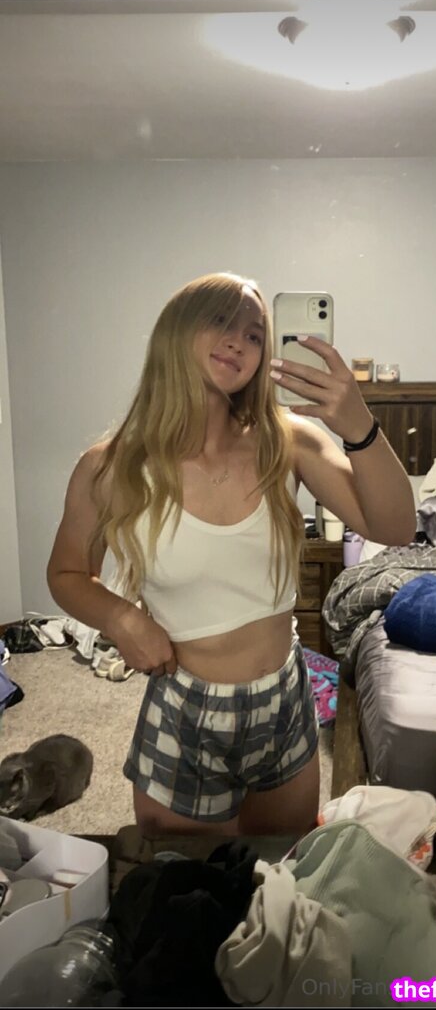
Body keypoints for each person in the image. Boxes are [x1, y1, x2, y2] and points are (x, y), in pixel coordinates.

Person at [47, 273, 416, 838]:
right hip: (185, 707)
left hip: (282, 699)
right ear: (175, 331)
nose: (238, 341)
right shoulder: (110, 467)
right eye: (219, 320)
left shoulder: (288, 440)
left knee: (280, 869)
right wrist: (122, 618)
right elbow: (67, 573)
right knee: (187, 880)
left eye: (254, 334)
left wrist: (358, 425)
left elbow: (395, 527)